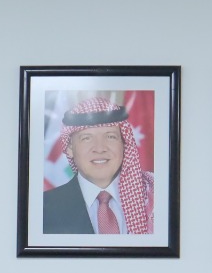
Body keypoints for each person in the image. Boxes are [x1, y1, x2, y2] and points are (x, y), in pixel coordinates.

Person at [42, 97, 154, 235]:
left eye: (110, 137)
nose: (100, 148)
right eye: (87, 138)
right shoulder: (44, 208)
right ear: (70, 148)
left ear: (124, 143)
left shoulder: (155, 196)